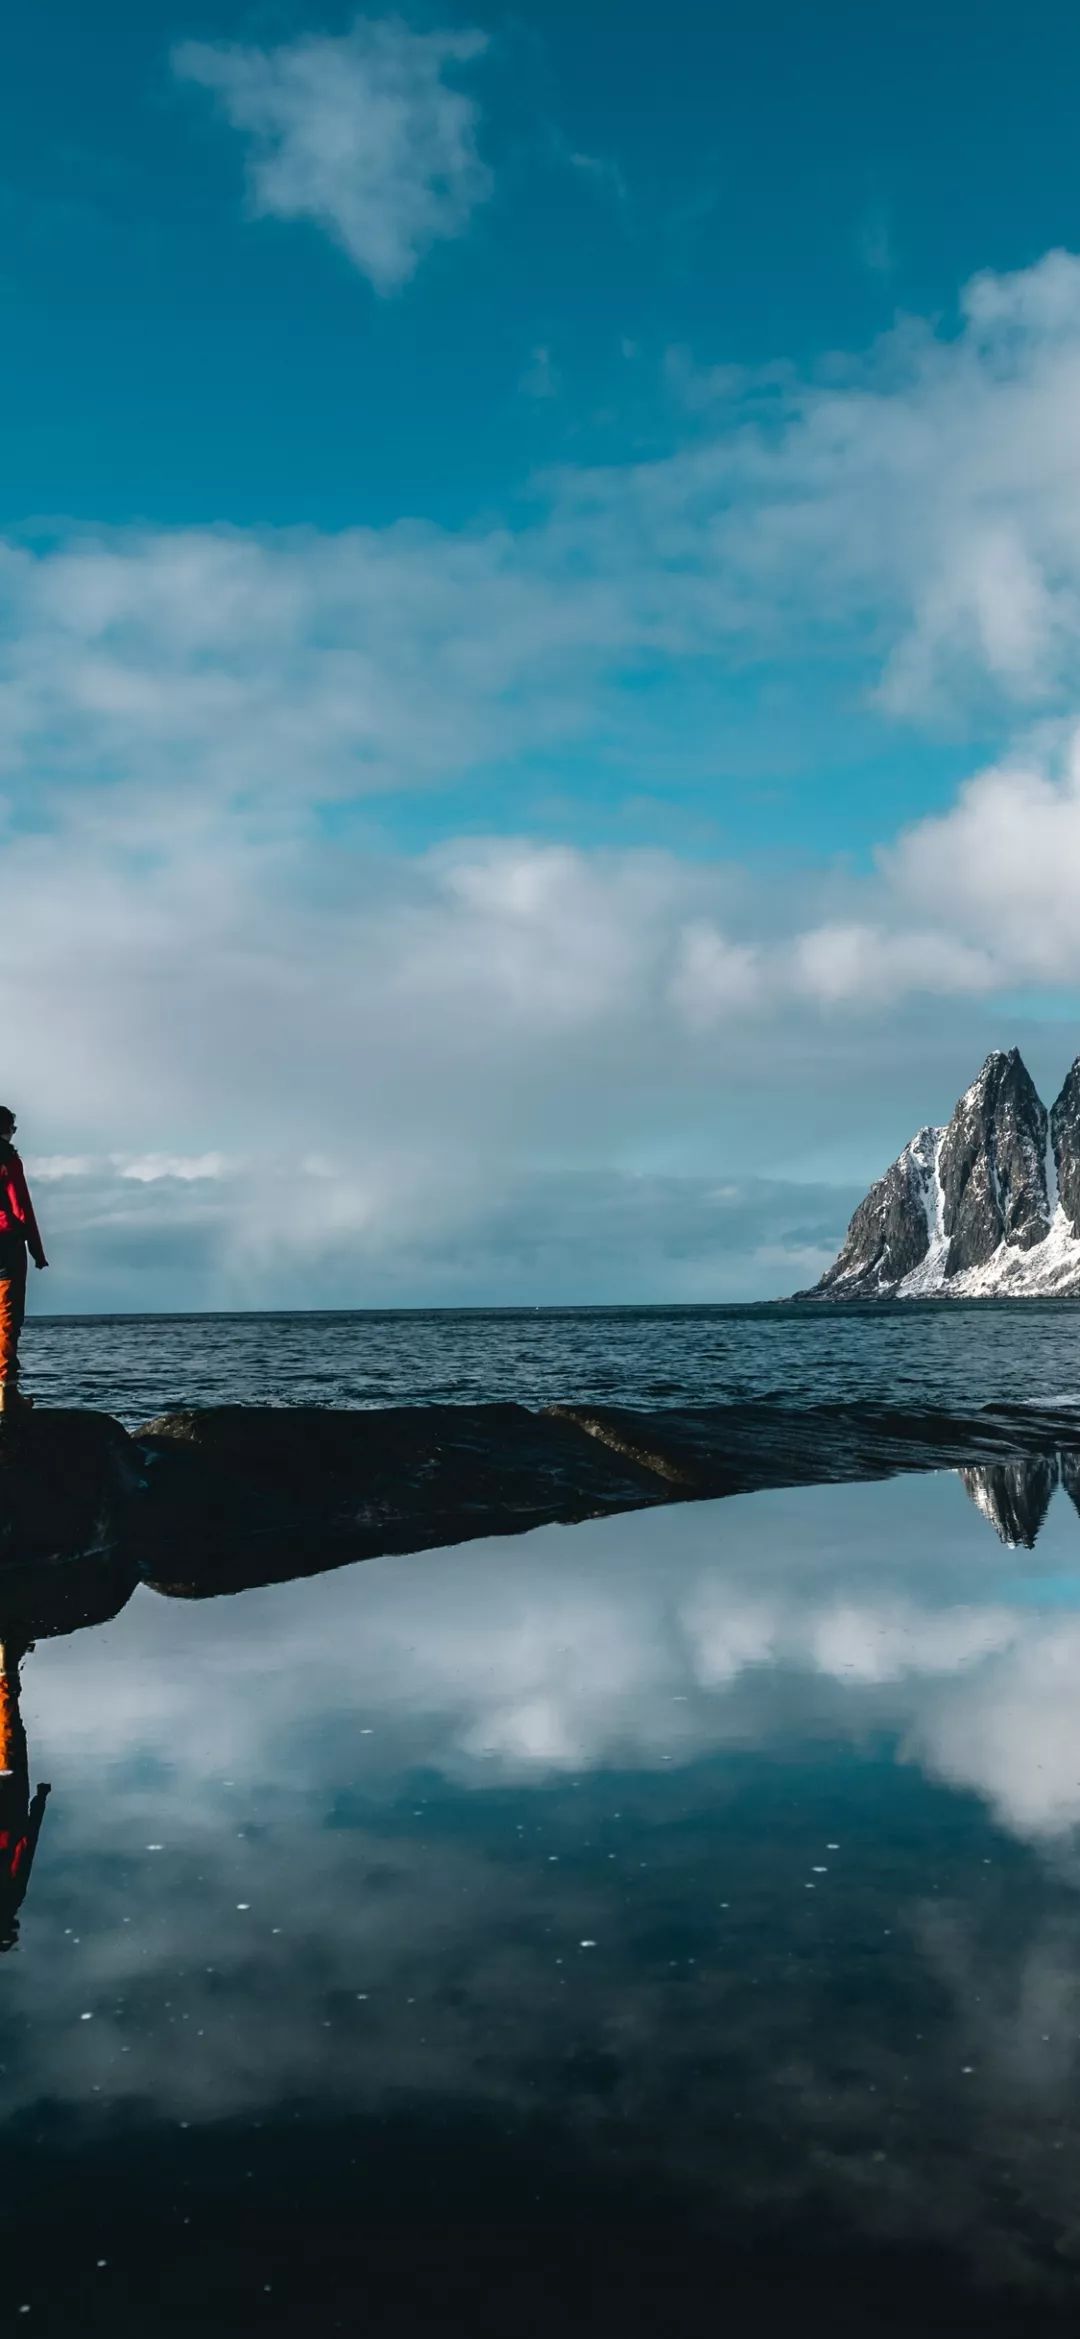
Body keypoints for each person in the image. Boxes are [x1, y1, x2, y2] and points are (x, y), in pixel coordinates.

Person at [0, 1636, 49, 1950]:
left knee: (10, 1730)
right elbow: (25, 1850)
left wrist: (40, 1801)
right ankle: (6, 1664)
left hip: (9, 1799)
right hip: (10, 1801)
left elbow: (25, 1847)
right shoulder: (11, 1893)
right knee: (7, 1731)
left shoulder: (12, 1892)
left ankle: (6, 1666)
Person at [0, 1107, 47, 1416]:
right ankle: (7, 1392)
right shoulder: (8, 1158)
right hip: (6, 1244)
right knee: (7, 1317)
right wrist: (36, 1250)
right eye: (12, 1129)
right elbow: (21, 1206)